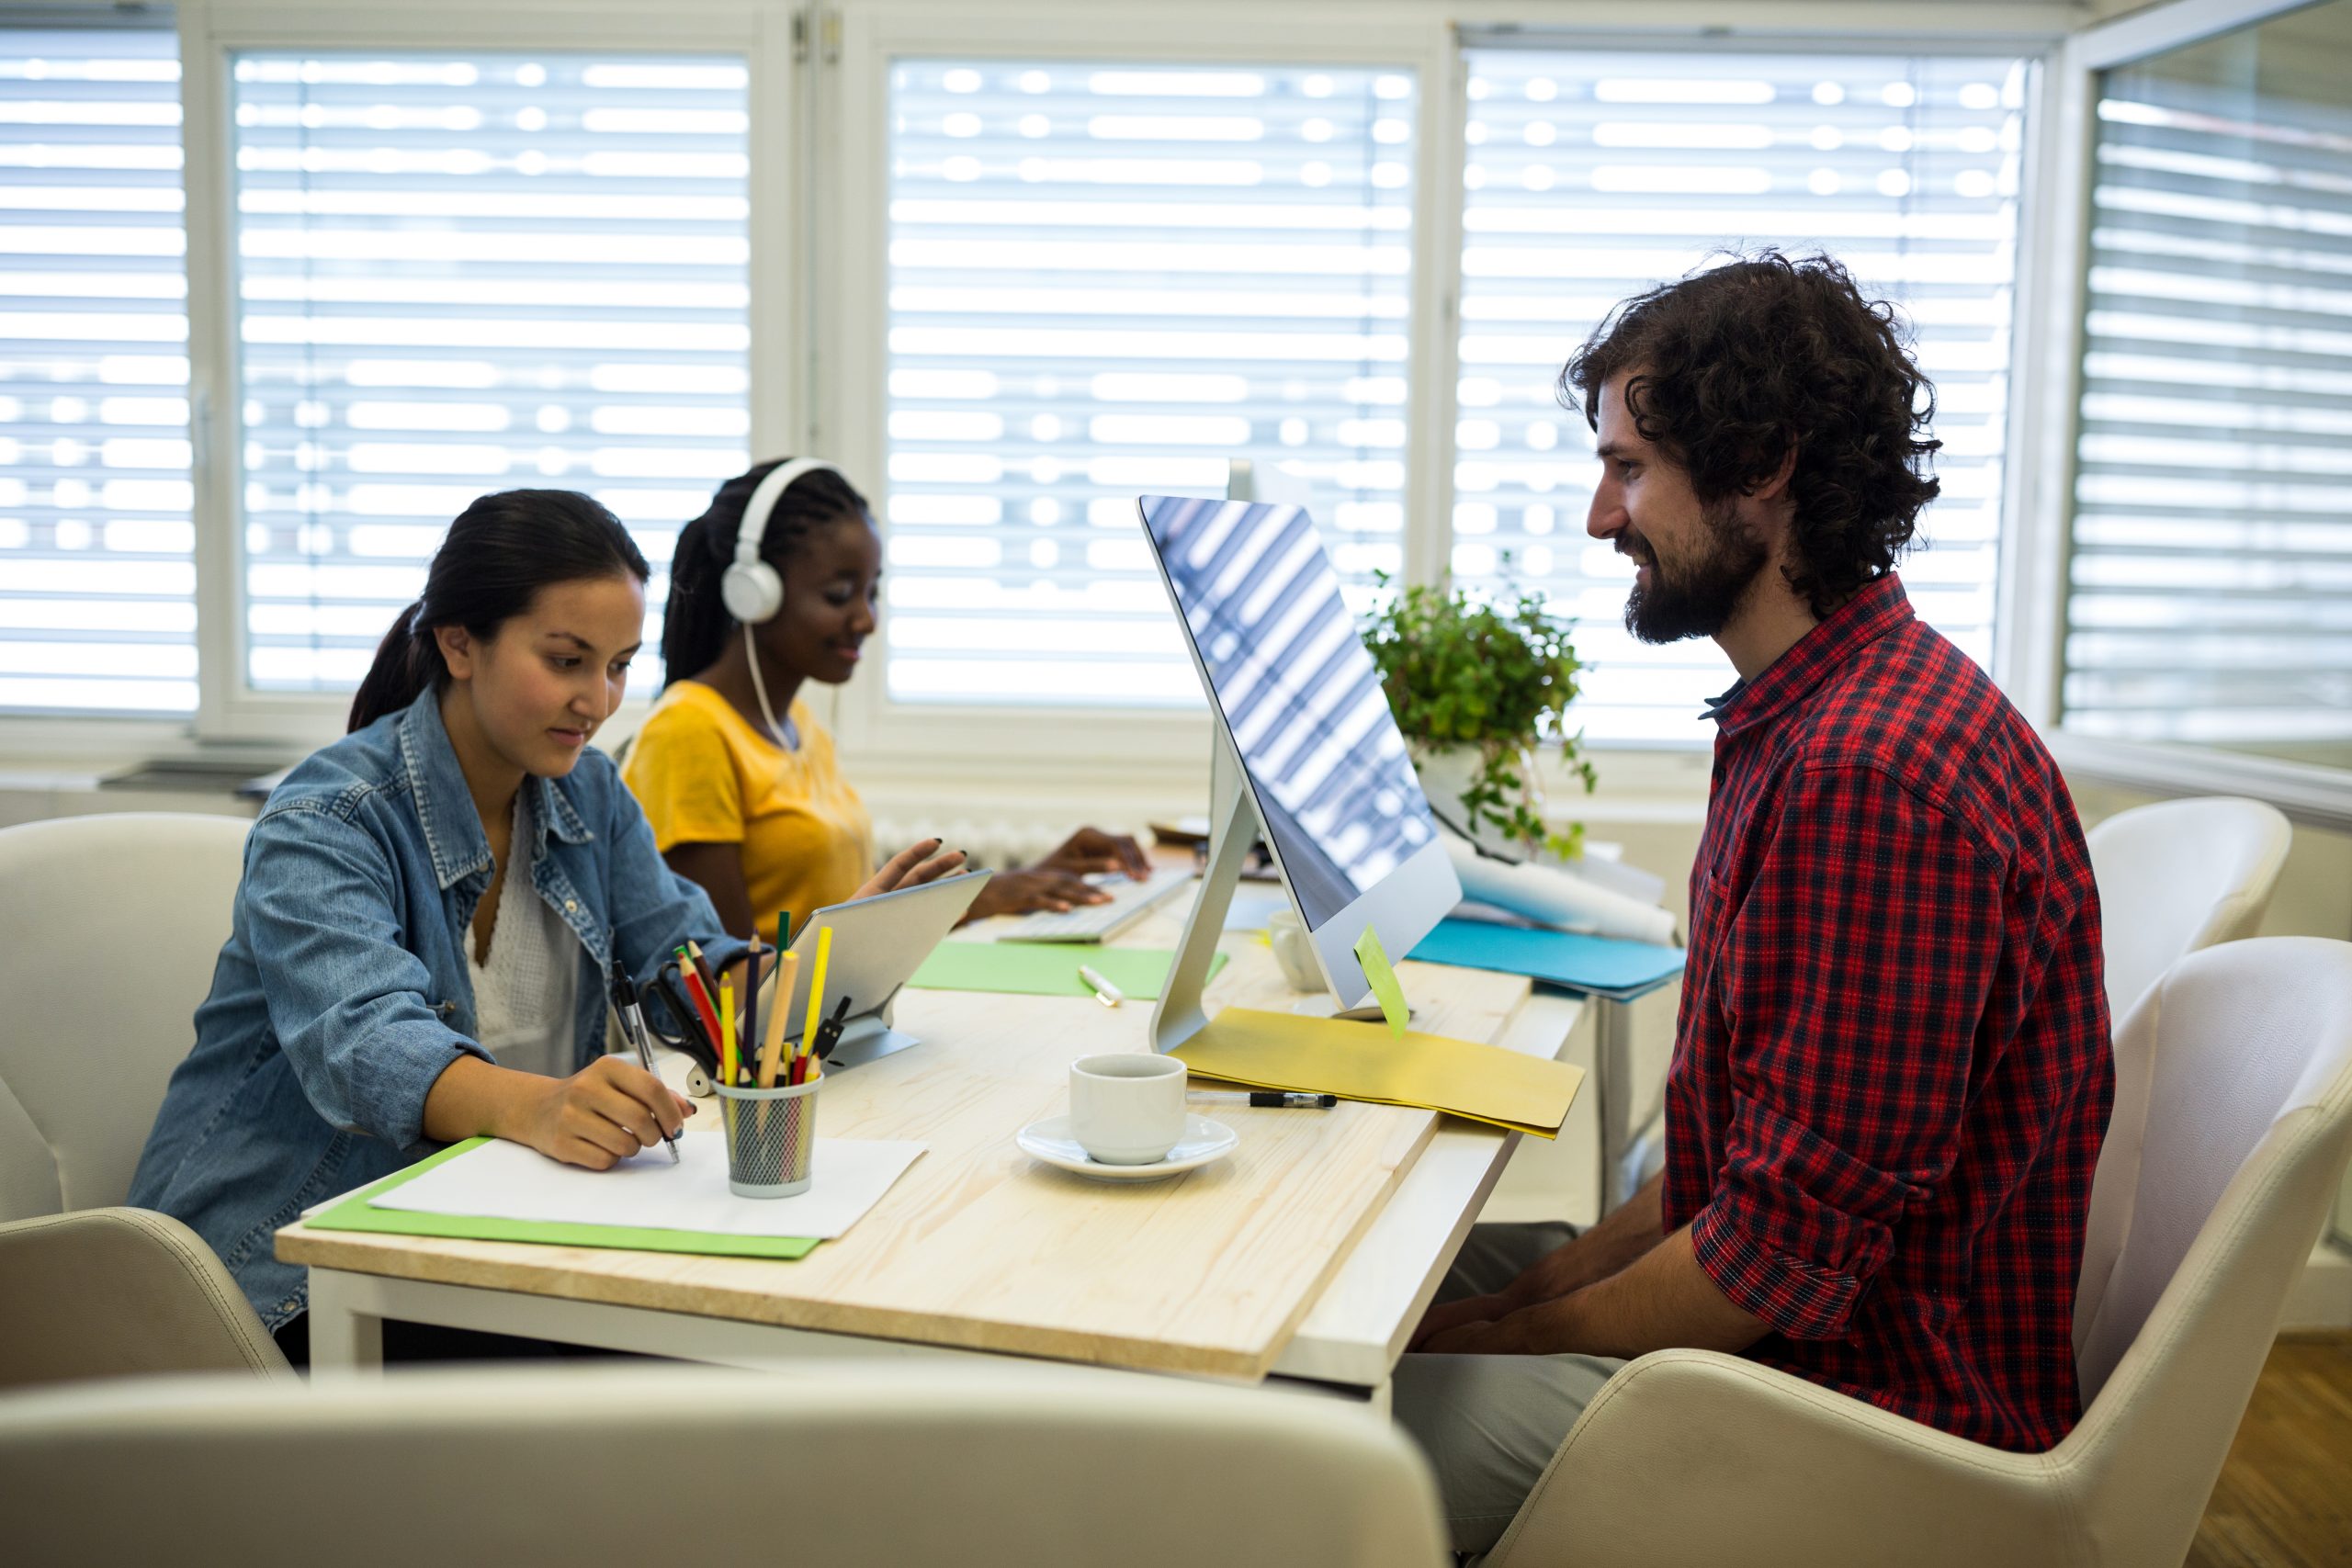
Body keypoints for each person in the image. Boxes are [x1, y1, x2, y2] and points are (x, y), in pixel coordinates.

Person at [1391, 253, 2111, 1556]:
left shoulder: (1868, 773)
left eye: (1628, 469)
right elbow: (1727, 1181)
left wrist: (1517, 1330)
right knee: (1382, 1296)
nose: (1601, 518)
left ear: (1763, 465)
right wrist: (1520, 1300)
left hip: (1857, 1408)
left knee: (1305, 1449)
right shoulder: (1815, 713)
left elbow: (1769, 1261)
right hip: (1796, 1339)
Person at [129, 490, 957, 1363]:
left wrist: (833, 957)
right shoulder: (330, 819)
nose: (597, 700)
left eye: (619, 665)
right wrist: (548, 1104)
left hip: (471, 1233)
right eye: (567, 660)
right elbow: (366, 1046)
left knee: (773, 1330)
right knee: (705, 1368)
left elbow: (687, 966)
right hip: (273, 1281)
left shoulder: (587, 794)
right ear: (459, 643)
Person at [622, 457, 1152, 947]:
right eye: (838, 594)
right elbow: (737, 981)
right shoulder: (689, 732)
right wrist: (974, 899)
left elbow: (852, 911)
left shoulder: (798, 726)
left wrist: (1021, 881)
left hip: (830, 1020)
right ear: (752, 590)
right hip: (774, 1044)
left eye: (871, 591)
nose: (867, 619)